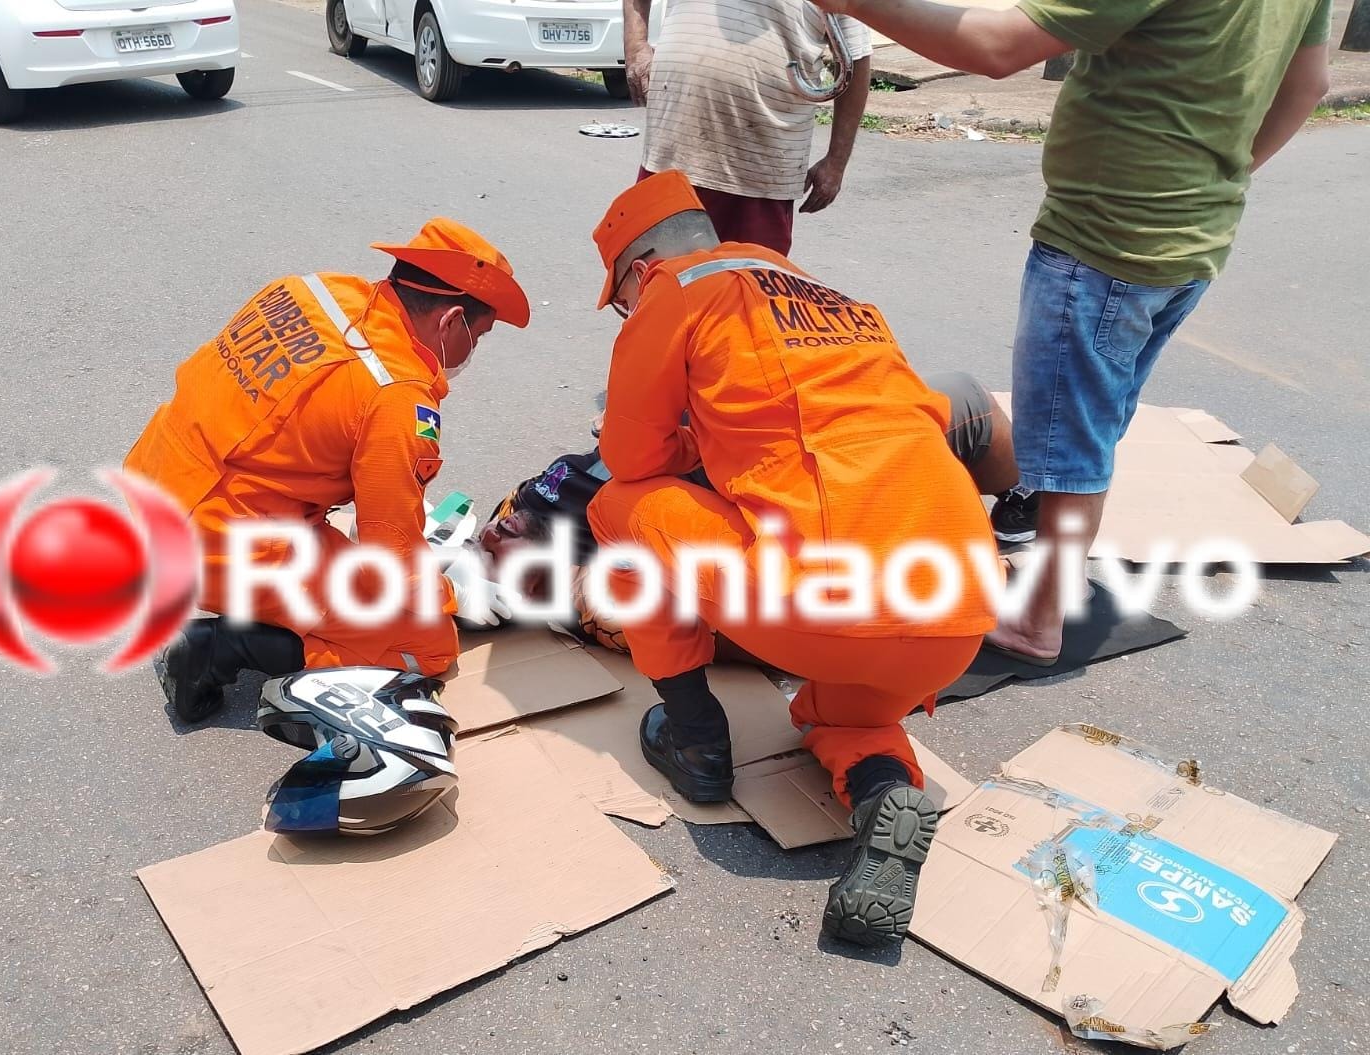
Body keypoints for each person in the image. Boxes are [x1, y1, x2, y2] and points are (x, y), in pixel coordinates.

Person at [810, 0, 1334, 664]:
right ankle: (1050, 583)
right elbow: (1309, 85)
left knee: (1071, 442)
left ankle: (1037, 620)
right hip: (1193, 235)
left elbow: (996, 48)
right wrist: (1215, 176)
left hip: (1104, 241)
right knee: (1094, 419)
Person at [587, 171, 997, 945]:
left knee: (618, 508)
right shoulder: (826, 294)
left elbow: (630, 456)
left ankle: (696, 737)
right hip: (956, 613)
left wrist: (690, 442)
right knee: (835, 710)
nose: (626, 311)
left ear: (641, 271)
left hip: (826, 606)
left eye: (620, 299)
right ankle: (883, 796)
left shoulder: (675, 290)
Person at [124, 219, 529, 722]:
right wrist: (452, 594)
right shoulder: (397, 396)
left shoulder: (308, 290)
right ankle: (221, 650)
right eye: (479, 334)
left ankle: (268, 611)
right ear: (450, 322)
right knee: (426, 647)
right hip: (220, 540)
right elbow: (391, 555)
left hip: (158, 482)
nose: (474, 351)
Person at [477, 370, 1018, 653]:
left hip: (757, 423)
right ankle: (1004, 529)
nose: (491, 538)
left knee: (962, 404)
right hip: (807, 465)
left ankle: (1018, 505)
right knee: (965, 404)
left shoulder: (521, 510)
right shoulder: (597, 592)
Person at [622, 0, 874, 254]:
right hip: (670, 156)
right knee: (655, 280)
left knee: (747, 284)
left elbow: (856, 59)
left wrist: (836, 162)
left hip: (762, 170)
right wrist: (636, 45)